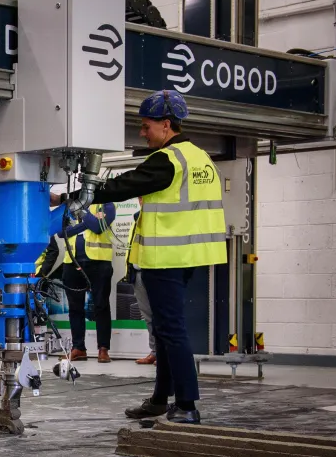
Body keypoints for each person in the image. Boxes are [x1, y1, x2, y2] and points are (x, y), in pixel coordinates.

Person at [72, 89, 227, 424]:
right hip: (190, 257)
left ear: (166, 124)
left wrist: (75, 196)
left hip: (166, 258)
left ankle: (186, 405)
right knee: (167, 329)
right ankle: (161, 399)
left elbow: (124, 185)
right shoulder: (200, 158)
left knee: (171, 331)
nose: (142, 132)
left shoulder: (167, 160)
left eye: (146, 126)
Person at [59, 201, 117, 364]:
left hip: (99, 262)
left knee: (101, 305)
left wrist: (84, 217)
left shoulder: (107, 205)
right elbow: (61, 233)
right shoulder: (70, 205)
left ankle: (103, 349)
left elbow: (99, 227)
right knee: (75, 308)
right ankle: (78, 348)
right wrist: (89, 222)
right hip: (71, 261)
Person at [129, 202, 157, 365]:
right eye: (139, 198)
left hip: (154, 271)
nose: (141, 200)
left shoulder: (156, 217)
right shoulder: (138, 218)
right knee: (147, 315)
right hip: (138, 272)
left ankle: (163, 351)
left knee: (159, 315)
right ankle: (154, 351)